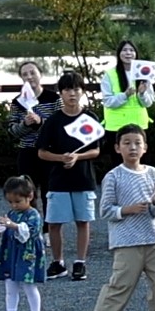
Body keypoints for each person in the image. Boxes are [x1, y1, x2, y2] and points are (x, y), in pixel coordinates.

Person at [83, 125, 155, 311]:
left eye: (137, 143)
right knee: (120, 286)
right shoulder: (113, 176)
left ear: (145, 147)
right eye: (127, 143)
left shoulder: (153, 173)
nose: (132, 147)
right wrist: (127, 209)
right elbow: (105, 210)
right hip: (127, 242)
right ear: (118, 148)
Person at [38, 73, 102, 281]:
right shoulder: (54, 121)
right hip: (58, 179)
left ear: (82, 91)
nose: (72, 94)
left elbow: (96, 150)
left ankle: (80, 262)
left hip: (83, 178)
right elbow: (41, 151)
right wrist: (60, 157)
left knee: (83, 221)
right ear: (61, 93)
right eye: (67, 90)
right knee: (55, 223)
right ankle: (58, 262)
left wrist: (77, 156)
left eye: (76, 89)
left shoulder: (89, 118)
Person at [0, 176, 48, 311]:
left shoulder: (34, 214)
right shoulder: (11, 214)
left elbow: (31, 232)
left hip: (28, 254)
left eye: (18, 201)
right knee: (10, 285)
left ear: (30, 196)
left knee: (28, 285)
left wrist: (13, 225)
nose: (14, 205)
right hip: (11, 253)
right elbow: (4, 230)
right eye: (11, 202)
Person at [99, 40, 155, 175]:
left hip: (139, 125)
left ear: (136, 54)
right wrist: (125, 95)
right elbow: (108, 101)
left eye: (131, 50)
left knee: (141, 165)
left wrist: (141, 94)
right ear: (119, 54)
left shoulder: (144, 73)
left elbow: (148, 103)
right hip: (116, 127)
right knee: (118, 166)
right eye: (124, 50)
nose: (128, 53)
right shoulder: (110, 74)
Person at [9, 61, 53, 198]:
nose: (29, 77)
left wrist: (41, 122)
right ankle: (29, 220)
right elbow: (12, 131)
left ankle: (49, 220)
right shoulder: (17, 102)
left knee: (50, 193)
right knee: (27, 194)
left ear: (41, 74)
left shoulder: (54, 98)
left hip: (49, 151)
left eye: (33, 73)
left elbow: (59, 127)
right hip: (27, 152)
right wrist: (25, 124)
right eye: (25, 74)